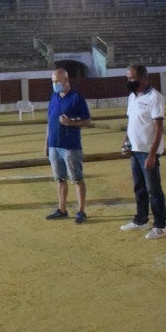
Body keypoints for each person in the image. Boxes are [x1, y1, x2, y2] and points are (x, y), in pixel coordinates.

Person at [120, 64, 166, 239]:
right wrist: (126, 142)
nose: (129, 81)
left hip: (147, 152)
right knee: (139, 188)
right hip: (135, 150)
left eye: (132, 78)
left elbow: (158, 129)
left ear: (143, 78)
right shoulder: (132, 96)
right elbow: (131, 123)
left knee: (153, 190)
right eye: (128, 78)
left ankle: (161, 225)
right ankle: (141, 220)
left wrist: (152, 155)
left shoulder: (155, 97)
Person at [44, 67, 92, 224]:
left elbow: (87, 120)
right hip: (54, 146)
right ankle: (62, 209)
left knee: (77, 179)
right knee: (59, 179)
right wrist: (46, 143)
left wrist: (70, 123)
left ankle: (81, 211)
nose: (55, 84)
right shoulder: (54, 96)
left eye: (57, 81)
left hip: (70, 146)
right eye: (53, 81)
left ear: (66, 80)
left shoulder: (77, 97)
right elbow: (49, 121)